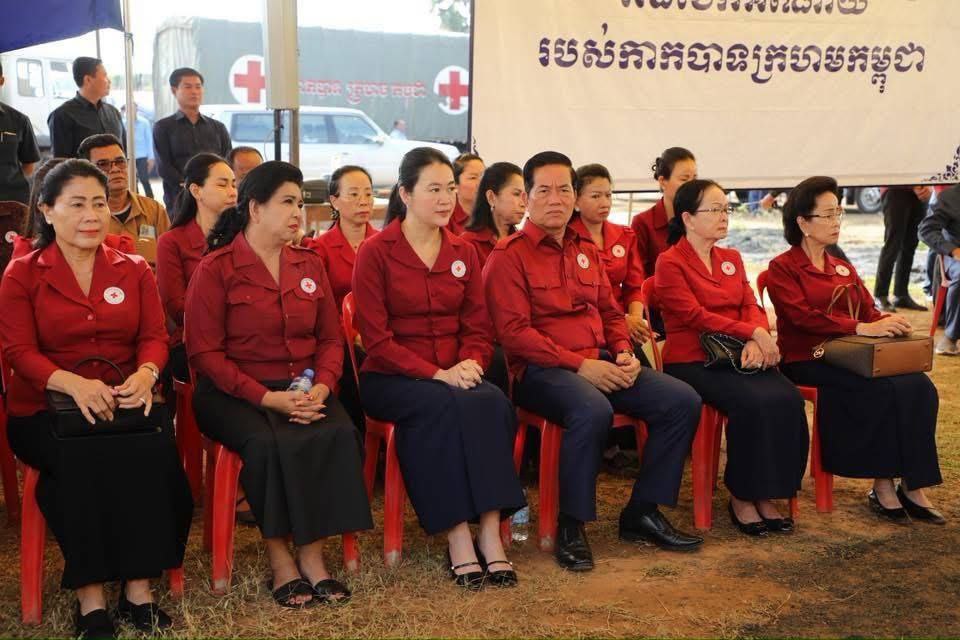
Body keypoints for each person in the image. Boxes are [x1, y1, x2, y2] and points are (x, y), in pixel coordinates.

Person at [484, 151, 704, 572]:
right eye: (544, 190)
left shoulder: (584, 247)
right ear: (526, 197)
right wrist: (580, 366)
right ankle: (571, 524)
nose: (556, 199)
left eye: (564, 189)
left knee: (681, 400)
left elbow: (609, 310)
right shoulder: (508, 255)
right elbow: (514, 334)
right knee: (591, 409)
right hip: (541, 371)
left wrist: (623, 351)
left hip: (601, 360)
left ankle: (642, 511)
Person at [0, 159, 192, 638]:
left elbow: (154, 338)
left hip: (124, 405)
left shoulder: (133, 269)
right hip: (46, 411)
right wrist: (73, 383)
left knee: (156, 457)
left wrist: (147, 374)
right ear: (47, 210)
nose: (91, 215)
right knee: (82, 462)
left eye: (99, 204)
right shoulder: (22, 274)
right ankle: (90, 597)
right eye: (77, 204)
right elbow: (18, 351)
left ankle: (138, 588)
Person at [186, 161, 371, 608]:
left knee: (337, 431)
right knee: (267, 442)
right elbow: (205, 355)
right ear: (255, 208)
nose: (297, 213)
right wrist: (267, 397)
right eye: (287, 202)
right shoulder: (217, 268)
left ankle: (311, 553)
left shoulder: (308, 262)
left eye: (300, 203)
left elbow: (331, 339)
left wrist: (323, 387)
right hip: (234, 392)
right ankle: (280, 559)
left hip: (303, 386)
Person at [353, 147, 524, 589]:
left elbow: (478, 326)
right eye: (434, 189)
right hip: (392, 377)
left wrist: (470, 363)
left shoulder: (463, 249)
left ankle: (490, 529)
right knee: (441, 406)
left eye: (450, 188)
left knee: (493, 403)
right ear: (405, 194)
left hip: (456, 372)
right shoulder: (375, 252)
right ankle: (457, 534)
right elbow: (377, 340)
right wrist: (438, 374)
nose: (446, 198)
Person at [767, 176, 945, 525]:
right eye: (827, 215)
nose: (836, 222)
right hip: (808, 357)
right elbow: (801, 317)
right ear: (803, 222)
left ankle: (913, 484)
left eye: (838, 213)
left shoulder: (841, 265)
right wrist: (860, 328)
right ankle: (882, 484)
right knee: (879, 389)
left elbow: (868, 310)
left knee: (919, 387)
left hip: (852, 354)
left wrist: (887, 321)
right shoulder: (782, 267)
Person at [654, 179, 808, 537]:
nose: (724, 216)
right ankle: (742, 495)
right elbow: (693, 315)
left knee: (787, 398)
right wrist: (751, 333)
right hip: (693, 359)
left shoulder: (731, 259)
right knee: (751, 402)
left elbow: (750, 304)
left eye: (726, 209)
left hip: (739, 353)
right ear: (688, 218)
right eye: (714, 209)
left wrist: (756, 335)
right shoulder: (670, 262)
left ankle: (768, 492)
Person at [302, 165, 378, 433]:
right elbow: (319, 308)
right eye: (354, 194)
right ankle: (359, 436)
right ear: (334, 200)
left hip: (380, 333)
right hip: (339, 336)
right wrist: (354, 335)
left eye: (368, 194)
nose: (363, 201)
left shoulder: (385, 244)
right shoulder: (319, 248)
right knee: (351, 361)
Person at [156, 153, 237, 382]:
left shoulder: (244, 237)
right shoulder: (172, 242)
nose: (232, 192)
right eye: (222, 184)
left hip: (244, 338)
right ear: (196, 190)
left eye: (234, 184)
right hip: (195, 342)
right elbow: (177, 308)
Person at [570, 163, 651, 347]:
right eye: (595, 196)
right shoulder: (567, 239)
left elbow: (635, 285)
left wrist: (635, 320)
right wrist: (622, 321)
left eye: (608, 195)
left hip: (626, 322)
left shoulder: (625, 234)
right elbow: (579, 298)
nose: (605, 203)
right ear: (576, 201)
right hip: (588, 324)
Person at [153, 68, 232, 212]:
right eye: (188, 87)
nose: (194, 92)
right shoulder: (163, 127)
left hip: (215, 199)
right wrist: (191, 187)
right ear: (174, 90)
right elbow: (164, 167)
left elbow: (227, 160)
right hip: (180, 200)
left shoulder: (218, 127)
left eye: (198, 87)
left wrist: (213, 186)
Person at [77, 134, 169, 255]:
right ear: (85, 172)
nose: (115, 169)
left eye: (120, 162)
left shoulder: (154, 210)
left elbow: (169, 258)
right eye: (103, 164)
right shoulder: (81, 218)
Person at [631, 147, 697, 278]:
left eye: (694, 179)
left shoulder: (698, 218)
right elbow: (636, 276)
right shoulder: (643, 222)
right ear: (662, 181)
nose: (692, 186)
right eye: (684, 179)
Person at [47, 57, 124, 159]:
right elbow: (61, 162)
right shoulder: (62, 115)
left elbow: (123, 152)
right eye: (105, 76)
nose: (109, 81)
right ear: (88, 79)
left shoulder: (113, 112)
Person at [873, 186, 931, 312]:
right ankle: (880, 295)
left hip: (918, 193)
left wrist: (928, 186)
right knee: (892, 245)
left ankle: (901, 295)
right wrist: (914, 185)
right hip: (895, 188)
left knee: (910, 245)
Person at [920, 184, 960, 355]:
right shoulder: (949, 198)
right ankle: (951, 336)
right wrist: (953, 250)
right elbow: (926, 230)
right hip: (955, 256)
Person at [460, 161, 526, 266]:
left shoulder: (523, 243)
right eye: (516, 194)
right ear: (491, 197)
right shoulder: (467, 244)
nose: (523, 203)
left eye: (525, 196)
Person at [0, 60, 41, 205]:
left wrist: (11, 182)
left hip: (12, 201)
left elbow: (29, 162)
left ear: (1, 81)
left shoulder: (19, 120)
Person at [121, 103, 155, 198]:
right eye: (129, 109)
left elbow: (149, 140)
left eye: (134, 109)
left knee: (144, 179)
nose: (131, 111)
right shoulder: (123, 123)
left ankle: (151, 200)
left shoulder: (144, 122)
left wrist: (151, 157)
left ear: (136, 110)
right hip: (128, 156)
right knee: (132, 181)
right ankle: (136, 200)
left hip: (142, 155)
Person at [448, 153, 484, 235]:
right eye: (473, 178)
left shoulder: (493, 213)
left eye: (483, 176)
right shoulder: (446, 216)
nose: (481, 183)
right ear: (455, 184)